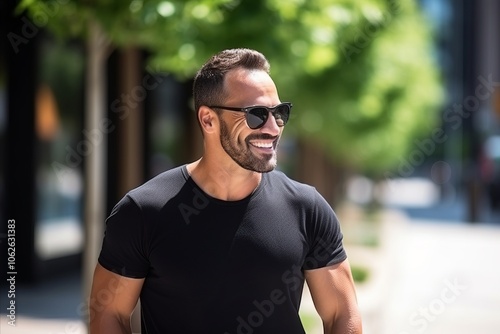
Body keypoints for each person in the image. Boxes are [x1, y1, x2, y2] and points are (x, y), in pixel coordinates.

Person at [89, 48, 362, 334]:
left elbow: (342, 313)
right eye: (256, 114)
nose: (273, 127)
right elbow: (109, 314)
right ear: (208, 120)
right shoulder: (143, 211)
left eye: (279, 113)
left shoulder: (307, 208)